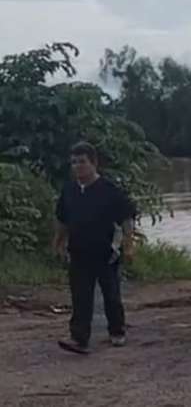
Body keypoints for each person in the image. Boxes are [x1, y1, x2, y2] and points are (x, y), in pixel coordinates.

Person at [53, 141, 136, 354]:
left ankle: (117, 331)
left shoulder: (109, 190)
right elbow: (63, 220)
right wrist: (58, 243)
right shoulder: (69, 191)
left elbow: (126, 219)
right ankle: (79, 338)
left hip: (106, 252)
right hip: (78, 252)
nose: (77, 166)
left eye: (82, 162)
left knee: (111, 295)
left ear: (94, 163)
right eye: (73, 162)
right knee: (80, 296)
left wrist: (128, 245)